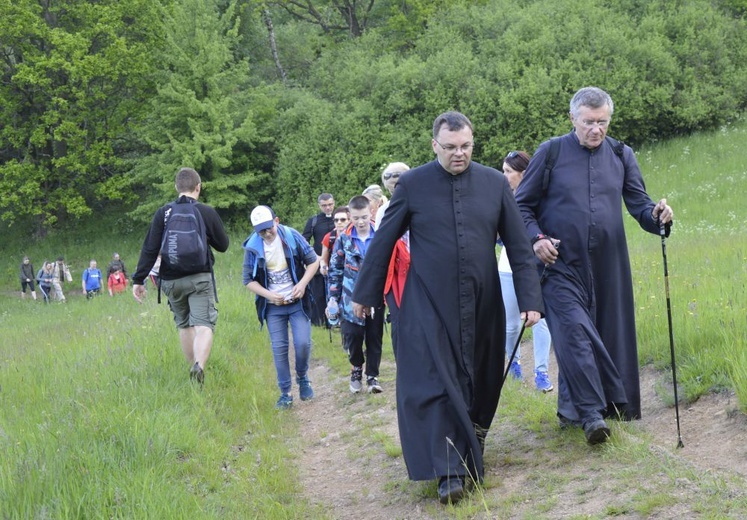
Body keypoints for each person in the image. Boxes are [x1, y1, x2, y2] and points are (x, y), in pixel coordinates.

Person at [352, 111, 543, 504]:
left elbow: (519, 246)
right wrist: (365, 294)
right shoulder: (413, 184)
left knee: (480, 377)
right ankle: (449, 470)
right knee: (436, 382)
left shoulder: (493, 183)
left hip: (484, 299)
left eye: (467, 146)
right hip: (429, 302)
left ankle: (470, 446)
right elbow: (385, 241)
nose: (460, 154)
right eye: (451, 147)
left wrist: (530, 300)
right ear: (434, 145)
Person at [514, 86, 674, 445]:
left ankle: (594, 411)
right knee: (574, 334)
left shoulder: (621, 154)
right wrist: (536, 238)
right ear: (573, 119)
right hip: (559, 265)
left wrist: (659, 216)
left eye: (602, 122)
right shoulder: (551, 152)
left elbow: (640, 207)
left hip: (608, 264)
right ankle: (590, 415)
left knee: (609, 334)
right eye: (588, 122)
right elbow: (521, 206)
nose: (596, 130)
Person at [131, 167, 230, 385]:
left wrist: (138, 279)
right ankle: (199, 366)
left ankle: (192, 370)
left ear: (176, 187)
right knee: (203, 325)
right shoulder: (205, 211)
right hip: (199, 278)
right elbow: (223, 245)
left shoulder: (163, 213)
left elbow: (150, 248)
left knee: (184, 325)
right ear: (198, 187)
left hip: (171, 281)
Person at [243, 205, 319, 409]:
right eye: (261, 231)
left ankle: (302, 377)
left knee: (302, 343)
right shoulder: (252, 247)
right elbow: (248, 280)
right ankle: (285, 393)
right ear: (255, 230)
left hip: (297, 302)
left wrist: (302, 284)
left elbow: (313, 262)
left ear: (276, 221)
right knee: (279, 348)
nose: (267, 234)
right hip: (273, 306)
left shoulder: (291, 237)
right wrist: (269, 295)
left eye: (269, 228)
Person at [498, 151, 554, 392]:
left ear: (523, 173)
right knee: (511, 325)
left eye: (508, 172)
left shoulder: (540, 199)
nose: (504, 176)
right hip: (508, 269)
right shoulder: (501, 198)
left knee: (540, 322)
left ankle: (542, 372)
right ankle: (514, 364)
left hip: (537, 269)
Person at [328, 195, 385, 394]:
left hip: (376, 296)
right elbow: (335, 269)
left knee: (374, 337)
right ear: (350, 216)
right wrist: (332, 298)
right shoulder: (343, 239)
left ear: (371, 213)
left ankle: (372, 376)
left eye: (363, 217)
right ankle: (356, 367)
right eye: (356, 218)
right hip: (349, 297)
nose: (360, 222)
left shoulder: (380, 236)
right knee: (352, 336)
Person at [375, 162, 411, 359]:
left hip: (422, 270)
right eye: (392, 187)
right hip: (396, 273)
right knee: (398, 321)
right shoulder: (384, 211)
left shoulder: (423, 203)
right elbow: (382, 245)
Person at [302, 193, 336, 326]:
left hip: (337, 262)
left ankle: (336, 320)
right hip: (318, 262)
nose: (328, 208)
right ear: (319, 206)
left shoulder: (340, 218)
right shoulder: (314, 221)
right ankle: (319, 322)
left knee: (334, 292)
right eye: (324, 205)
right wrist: (313, 256)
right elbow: (304, 240)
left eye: (330, 204)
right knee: (318, 294)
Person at [319, 206, 350, 279]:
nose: (339, 222)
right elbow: (323, 259)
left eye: (343, 220)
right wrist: (323, 267)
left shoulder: (355, 236)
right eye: (336, 220)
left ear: (349, 220)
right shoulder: (329, 237)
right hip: (335, 276)